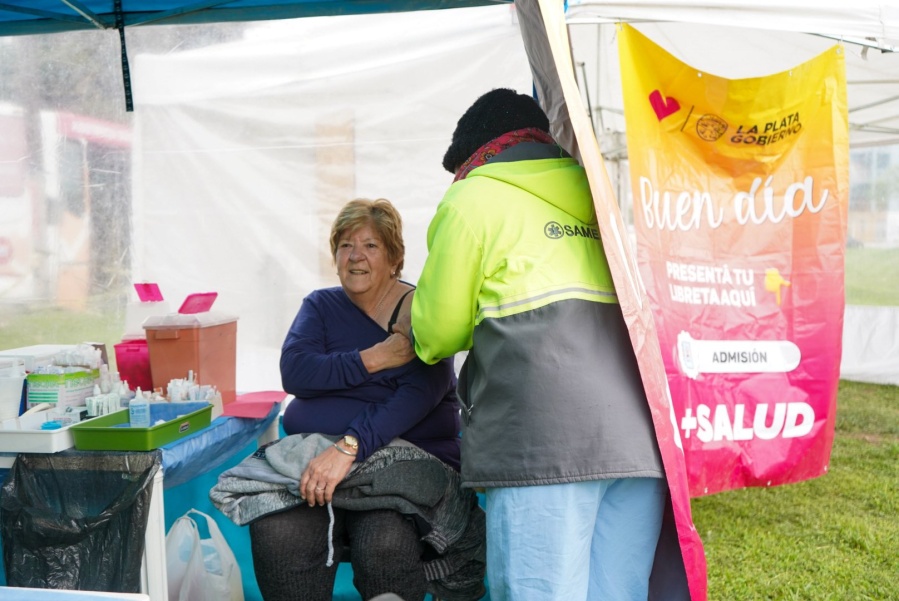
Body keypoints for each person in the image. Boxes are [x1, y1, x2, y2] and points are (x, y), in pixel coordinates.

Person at [407, 88, 668, 600]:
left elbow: (436, 333)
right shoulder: (599, 190)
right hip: (637, 440)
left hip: (542, 444)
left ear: (475, 157)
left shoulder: (472, 197)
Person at [249, 198, 467, 601]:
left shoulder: (421, 310)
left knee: (384, 541)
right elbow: (296, 372)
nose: (356, 257)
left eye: (370, 246)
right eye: (346, 245)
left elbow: (417, 395)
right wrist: (374, 359)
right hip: (317, 465)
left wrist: (349, 445)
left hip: (398, 468)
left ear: (394, 257)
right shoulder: (320, 305)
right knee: (276, 532)